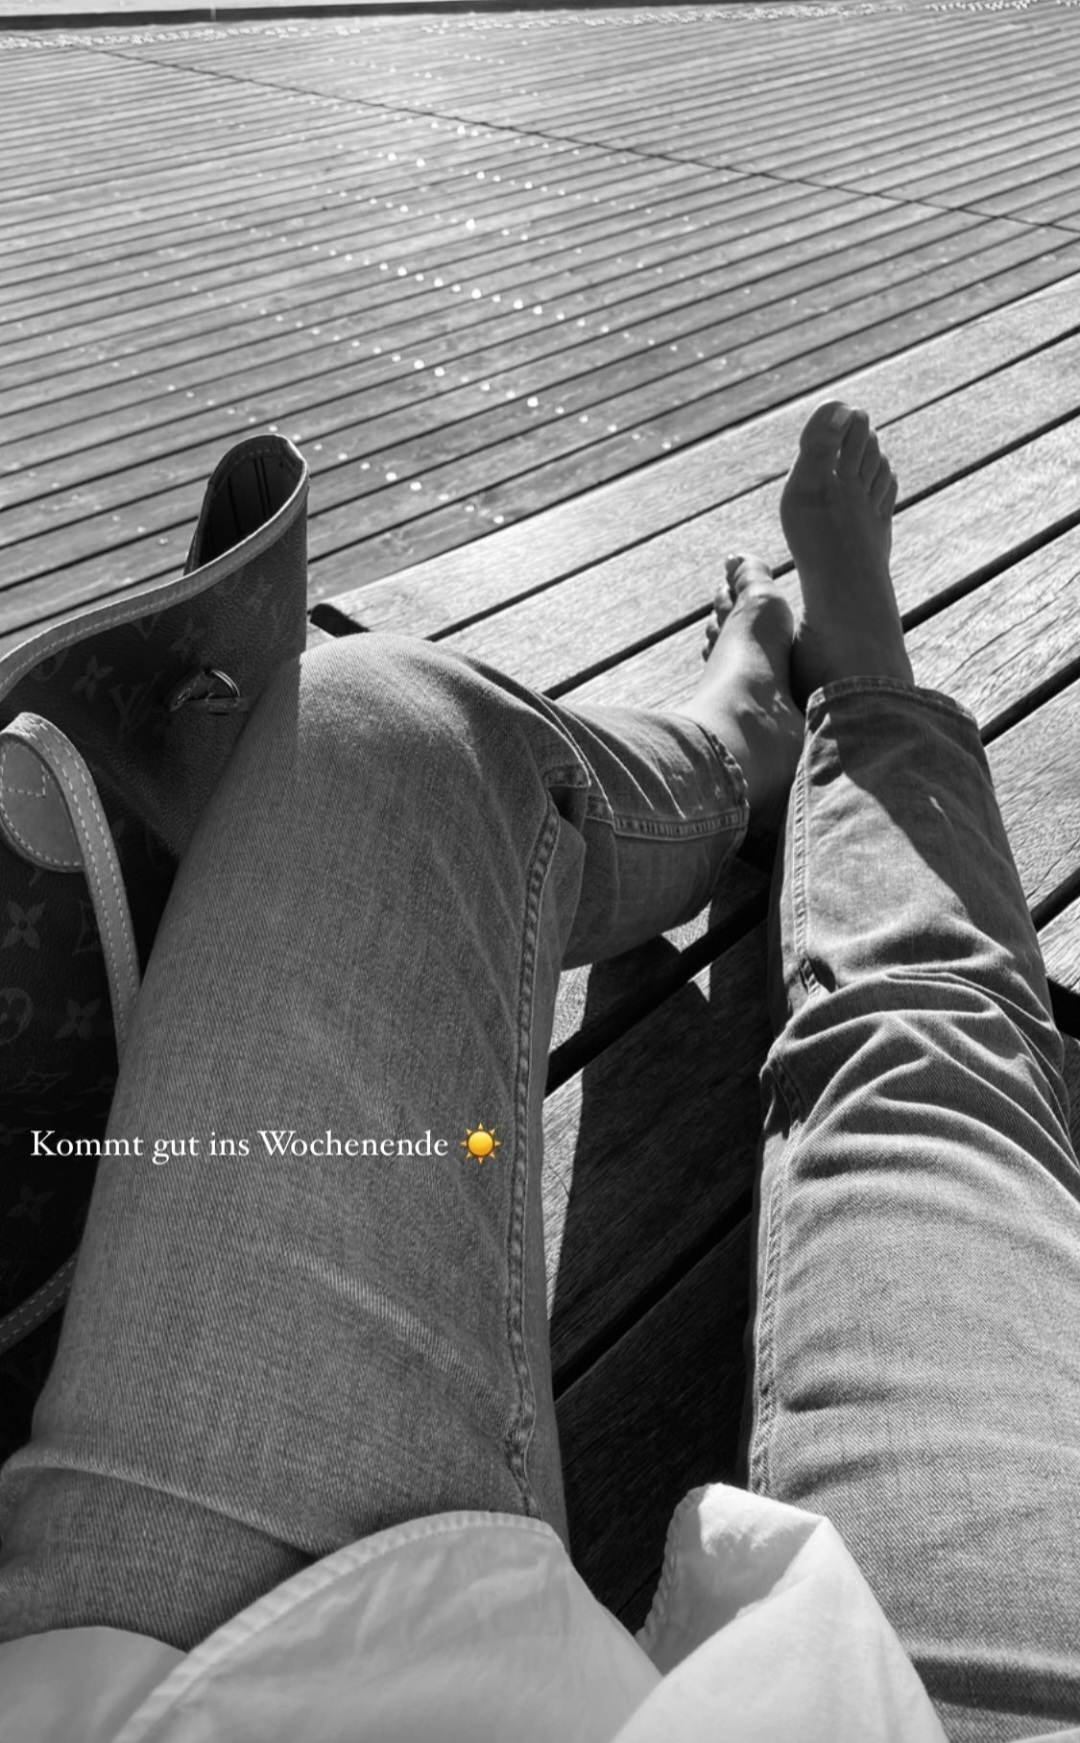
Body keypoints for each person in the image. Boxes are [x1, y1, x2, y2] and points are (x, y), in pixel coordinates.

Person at [0, 403, 1077, 1743]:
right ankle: (842, 694)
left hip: (169, 1689)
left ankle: (731, 748)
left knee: (376, 719)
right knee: (928, 1047)